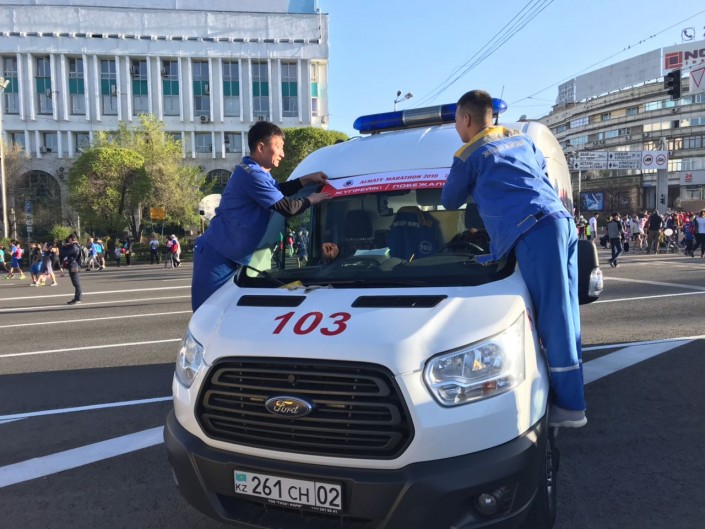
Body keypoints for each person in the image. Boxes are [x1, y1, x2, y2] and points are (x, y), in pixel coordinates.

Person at [441, 89, 586, 428]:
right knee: (566, 312)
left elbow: (448, 200)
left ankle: (571, 408)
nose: (457, 129)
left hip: (533, 230)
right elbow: (539, 173)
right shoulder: (519, 138)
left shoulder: (469, 153)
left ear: (466, 119)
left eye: (456, 122)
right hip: (560, 222)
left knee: (554, 317)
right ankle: (573, 393)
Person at [191, 121, 331, 311]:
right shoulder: (252, 175)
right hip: (218, 255)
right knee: (209, 312)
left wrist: (306, 179)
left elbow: (278, 190)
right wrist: (313, 199)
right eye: (279, 147)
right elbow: (287, 208)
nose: (282, 154)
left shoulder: (255, 171)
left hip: (234, 256)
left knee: (233, 312)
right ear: (261, 147)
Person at [60, 234, 83, 304]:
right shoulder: (77, 245)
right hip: (75, 265)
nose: (68, 241)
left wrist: (63, 247)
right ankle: (77, 298)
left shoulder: (74, 247)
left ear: (71, 239)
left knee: (76, 283)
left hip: (74, 266)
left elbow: (64, 253)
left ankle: (78, 298)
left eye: (69, 239)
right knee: (76, 283)